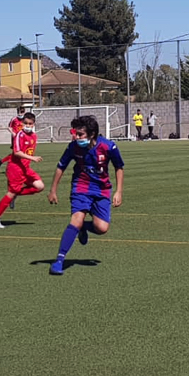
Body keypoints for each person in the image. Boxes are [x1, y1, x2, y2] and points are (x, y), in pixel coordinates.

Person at [46, 115, 124, 275]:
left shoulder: (108, 146)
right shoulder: (73, 147)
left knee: (102, 228)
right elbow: (61, 167)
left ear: (92, 134)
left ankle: (83, 228)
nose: (76, 137)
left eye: (80, 134)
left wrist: (118, 191)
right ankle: (59, 260)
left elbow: (119, 167)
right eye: (75, 133)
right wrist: (53, 190)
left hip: (102, 189)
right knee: (76, 219)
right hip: (80, 187)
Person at [0, 112, 44, 229]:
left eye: (30, 123)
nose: (28, 125)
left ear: (34, 124)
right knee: (11, 192)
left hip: (25, 168)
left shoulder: (34, 136)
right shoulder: (20, 135)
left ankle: (15, 194)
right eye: (25, 123)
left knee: (39, 186)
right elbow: (17, 152)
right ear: (22, 123)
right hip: (15, 168)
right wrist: (32, 158)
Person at [0, 106, 26, 171]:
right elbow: (9, 127)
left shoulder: (25, 120)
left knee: (17, 154)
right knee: (18, 153)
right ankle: (15, 167)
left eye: (23, 112)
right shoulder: (14, 119)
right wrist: (13, 133)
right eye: (20, 112)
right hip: (15, 138)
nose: (22, 113)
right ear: (18, 112)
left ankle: (2, 161)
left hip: (22, 138)